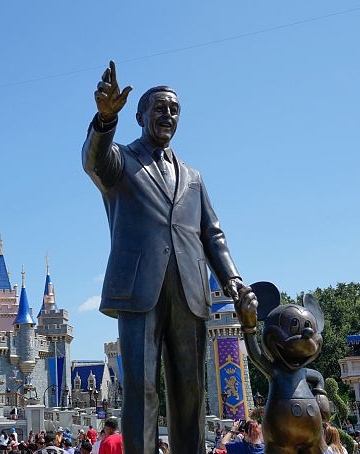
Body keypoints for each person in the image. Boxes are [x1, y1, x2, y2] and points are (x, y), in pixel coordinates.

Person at [83, 60, 256, 454]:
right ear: (140, 115)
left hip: (191, 291)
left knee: (190, 389)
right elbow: (93, 162)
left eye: (174, 110)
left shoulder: (193, 176)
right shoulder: (122, 161)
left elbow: (213, 233)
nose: (168, 115)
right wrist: (104, 120)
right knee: (142, 387)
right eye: (160, 108)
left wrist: (232, 279)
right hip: (139, 288)